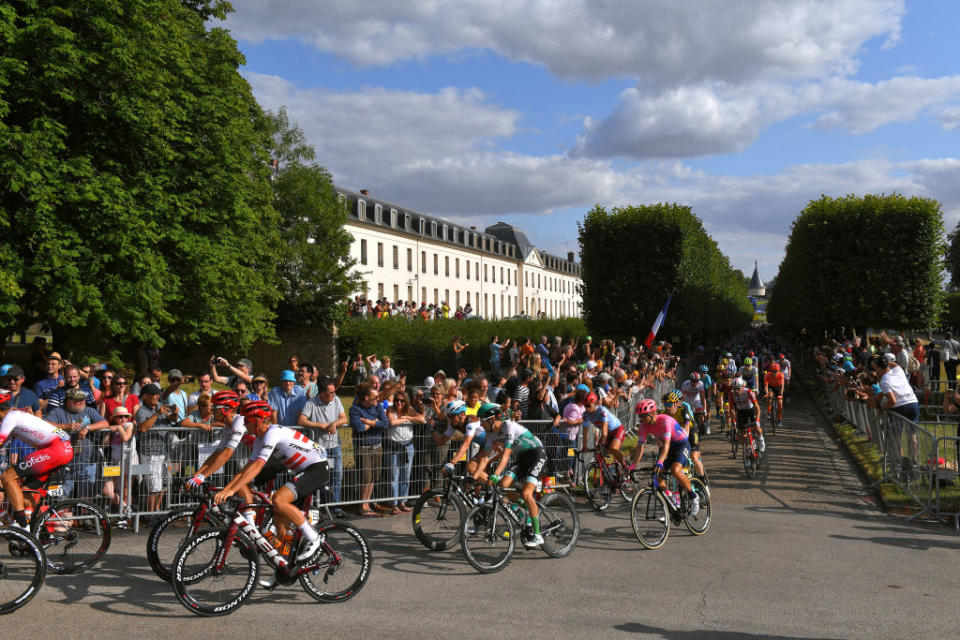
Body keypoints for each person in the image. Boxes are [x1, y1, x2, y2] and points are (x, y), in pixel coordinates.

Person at [214, 400, 329, 566]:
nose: (245, 425)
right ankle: (285, 564)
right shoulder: (260, 438)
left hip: (317, 468)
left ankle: (314, 538)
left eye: (247, 421)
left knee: (278, 500)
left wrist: (231, 491)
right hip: (305, 469)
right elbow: (246, 469)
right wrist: (228, 489)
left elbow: (258, 467)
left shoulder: (272, 434)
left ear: (259, 421)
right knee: (278, 516)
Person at [472, 402, 549, 548]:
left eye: (482, 421)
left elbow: (506, 455)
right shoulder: (491, 433)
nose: (481, 425)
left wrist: (495, 474)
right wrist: (473, 478)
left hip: (537, 455)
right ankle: (526, 508)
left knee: (527, 493)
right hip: (522, 459)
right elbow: (484, 458)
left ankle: (538, 534)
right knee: (503, 486)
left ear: (491, 419)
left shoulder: (508, 426)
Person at [0, 390, 74, 528]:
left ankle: (22, 526)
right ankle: (38, 528)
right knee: (24, 493)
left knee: (7, 477)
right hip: (61, 449)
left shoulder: (10, 417)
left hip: (55, 449)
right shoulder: (15, 415)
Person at [628, 399, 699, 516]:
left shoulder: (665, 420)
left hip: (681, 445)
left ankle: (693, 496)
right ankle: (672, 500)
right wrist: (632, 466)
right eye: (639, 416)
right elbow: (640, 447)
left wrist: (660, 461)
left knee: (675, 470)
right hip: (669, 448)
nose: (641, 419)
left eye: (643, 416)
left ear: (653, 413)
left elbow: (665, 445)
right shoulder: (643, 426)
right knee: (657, 478)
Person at [45, 388, 108, 499]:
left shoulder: (89, 411)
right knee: (62, 498)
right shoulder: (58, 411)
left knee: (86, 498)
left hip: (86, 463)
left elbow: (105, 423)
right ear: (69, 402)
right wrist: (65, 427)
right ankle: (65, 516)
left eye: (84, 399)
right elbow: (45, 424)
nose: (83, 402)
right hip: (65, 465)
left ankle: (85, 516)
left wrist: (88, 428)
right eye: (79, 400)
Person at [298, 379, 347, 517]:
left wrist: (334, 424)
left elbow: (344, 419)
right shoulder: (311, 403)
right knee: (322, 477)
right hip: (319, 448)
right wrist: (321, 425)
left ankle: (335, 507)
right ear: (322, 393)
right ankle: (323, 507)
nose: (334, 394)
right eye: (331, 392)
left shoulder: (336, 400)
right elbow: (301, 420)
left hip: (335, 446)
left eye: (333, 392)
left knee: (337, 475)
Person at [136, 383, 179, 517]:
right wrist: (157, 414)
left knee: (165, 482)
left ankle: (158, 510)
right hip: (150, 453)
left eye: (157, 394)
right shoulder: (141, 411)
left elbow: (171, 421)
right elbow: (143, 428)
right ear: (145, 396)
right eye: (153, 394)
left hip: (165, 451)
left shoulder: (160, 406)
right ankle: (151, 514)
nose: (157, 396)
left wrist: (175, 414)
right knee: (153, 486)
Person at [349, 382, 389, 516]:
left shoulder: (377, 407)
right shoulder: (355, 409)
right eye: (375, 397)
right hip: (363, 448)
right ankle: (363, 506)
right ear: (366, 398)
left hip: (377, 447)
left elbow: (385, 423)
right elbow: (358, 428)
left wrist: (368, 422)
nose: (378, 399)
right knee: (365, 477)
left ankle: (367, 504)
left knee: (373, 477)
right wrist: (375, 423)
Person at [385, 390, 423, 514]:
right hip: (394, 446)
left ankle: (402, 501)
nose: (399, 403)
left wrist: (408, 417)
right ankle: (394, 503)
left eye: (401, 400)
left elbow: (422, 419)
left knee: (405, 475)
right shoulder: (391, 409)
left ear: (405, 401)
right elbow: (392, 422)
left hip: (408, 446)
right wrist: (408, 421)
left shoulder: (409, 409)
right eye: (396, 400)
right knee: (393, 475)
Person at [103, 406, 137, 523]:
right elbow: (104, 445)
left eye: (125, 416)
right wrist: (108, 431)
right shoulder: (113, 429)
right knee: (109, 490)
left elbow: (126, 437)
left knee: (126, 490)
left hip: (128, 461)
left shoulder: (129, 425)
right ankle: (126, 511)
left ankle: (125, 515)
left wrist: (118, 428)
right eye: (120, 417)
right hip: (115, 462)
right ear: (115, 418)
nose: (123, 419)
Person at [583, 391, 625, 465]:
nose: (586, 408)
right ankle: (607, 471)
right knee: (598, 455)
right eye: (585, 405)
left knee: (613, 448)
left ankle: (624, 466)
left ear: (595, 404)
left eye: (588, 406)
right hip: (608, 433)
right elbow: (585, 431)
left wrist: (601, 443)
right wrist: (584, 446)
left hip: (617, 429)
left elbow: (605, 430)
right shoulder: (585, 415)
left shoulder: (601, 410)